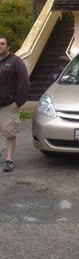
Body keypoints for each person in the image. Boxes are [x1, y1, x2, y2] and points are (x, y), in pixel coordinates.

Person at [0, 36, 29, 172]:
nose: (0, 46)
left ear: (8, 47)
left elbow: (24, 82)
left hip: (8, 105)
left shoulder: (15, 62)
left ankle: (9, 160)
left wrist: (18, 102)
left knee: (9, 133)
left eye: (2, 44)